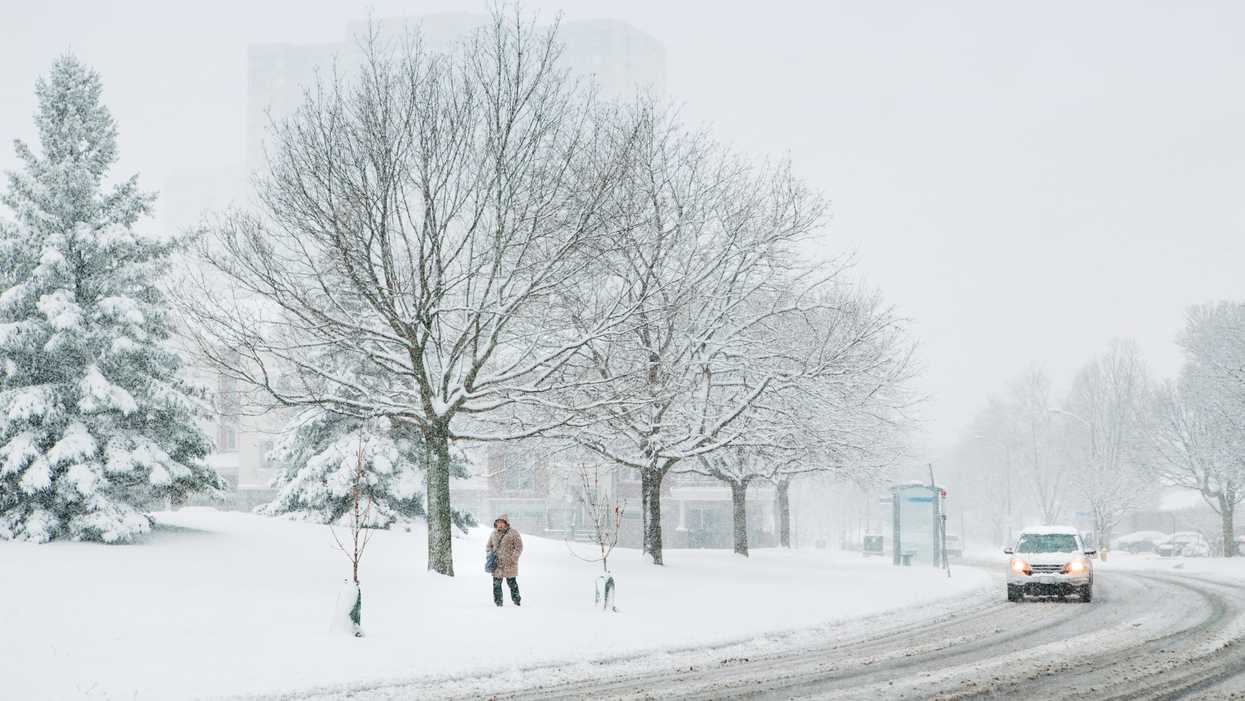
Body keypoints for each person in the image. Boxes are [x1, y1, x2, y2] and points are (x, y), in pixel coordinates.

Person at [486, 514, 523, 607]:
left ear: (506, 523)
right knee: (496, 585)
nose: (500, 525)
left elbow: (519, 547)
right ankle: (498, 603)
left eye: (502, 522)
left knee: (512, 583)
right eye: (498, 523)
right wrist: (490, 554)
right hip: (497, 565)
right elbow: (488, 546)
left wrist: (513, 558)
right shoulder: (493, 534)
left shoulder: (513, 533)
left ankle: (517, 601)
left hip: (510, 564)